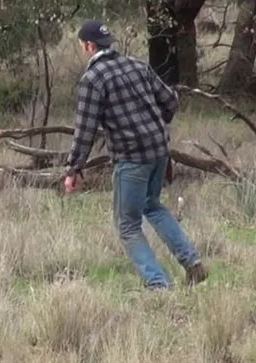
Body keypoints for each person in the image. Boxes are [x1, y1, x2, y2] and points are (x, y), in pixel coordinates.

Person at [64, 19, 208, 291]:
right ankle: (193, 264)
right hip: (159, 151)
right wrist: (153, 125)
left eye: (82, 45)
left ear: (89, 46)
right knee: (152, 205)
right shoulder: (137, 65)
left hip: (132, 158)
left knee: (127, 225)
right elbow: (171, 101)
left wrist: (74, 169)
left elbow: (85, 129)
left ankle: (158, 284)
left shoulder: (93, 79)